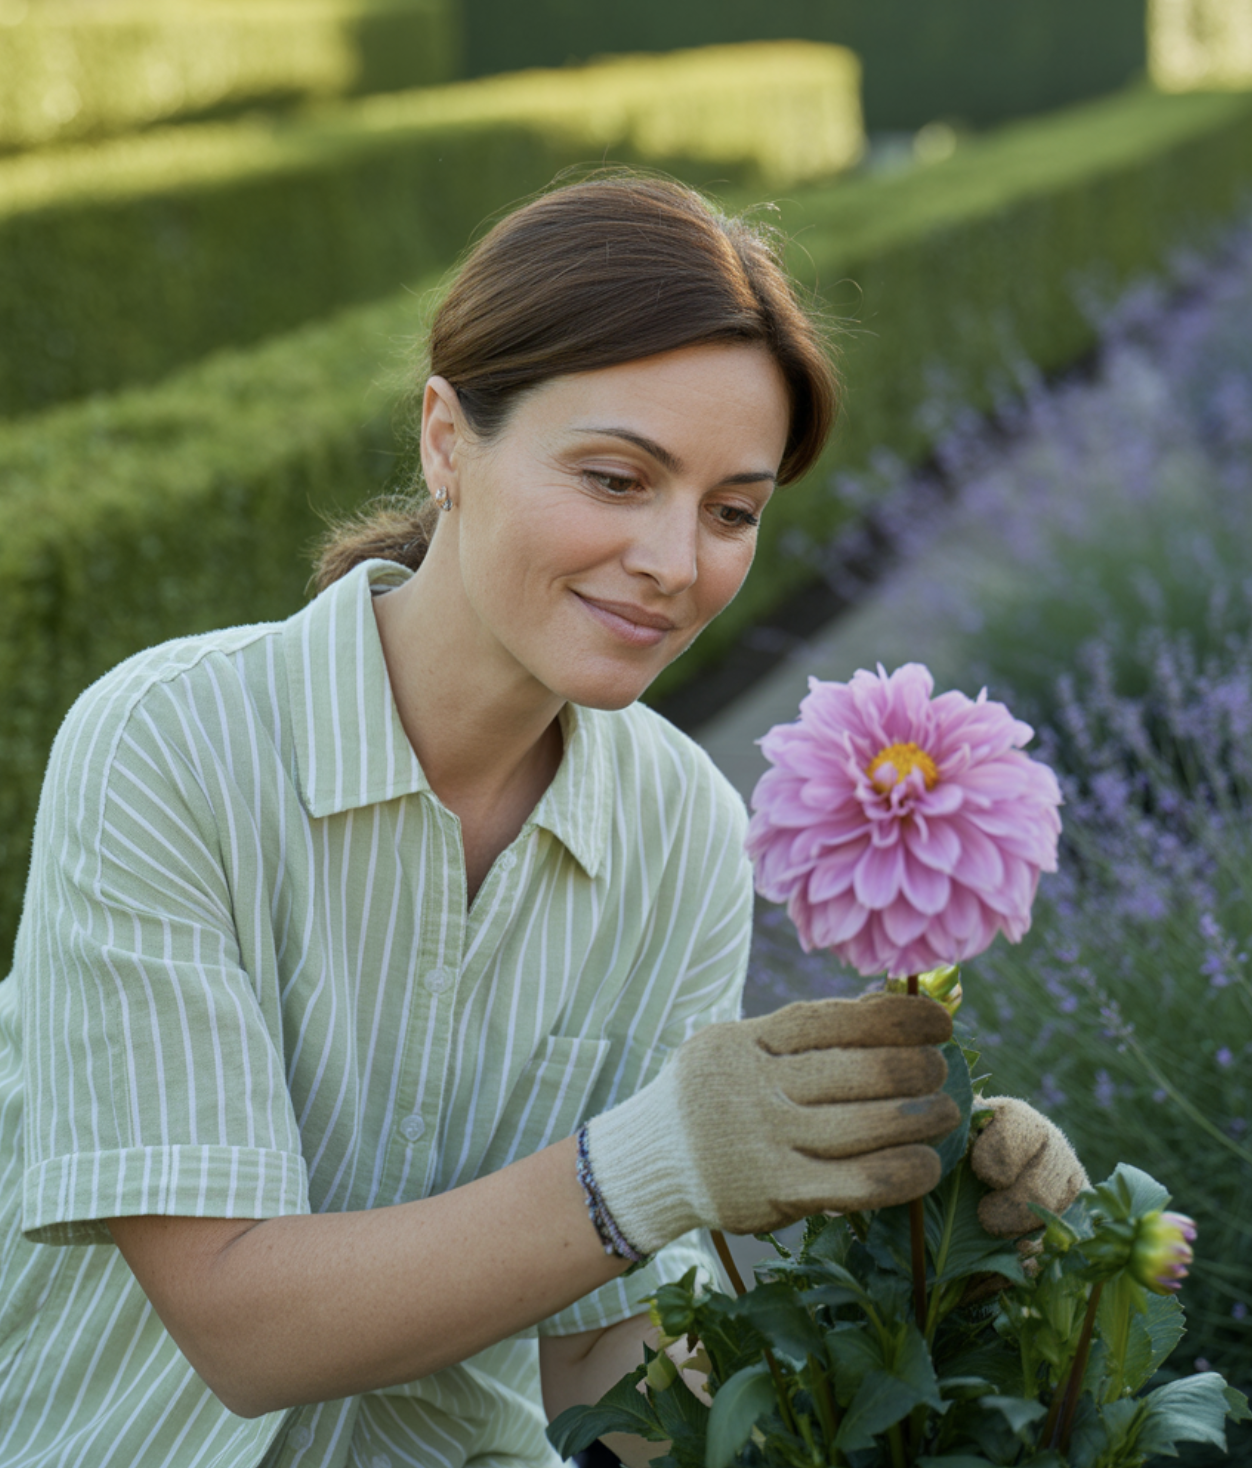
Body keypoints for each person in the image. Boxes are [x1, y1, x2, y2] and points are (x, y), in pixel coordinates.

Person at [0, 175, 1085, 1468]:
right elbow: (238, 1324)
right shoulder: (169, 749)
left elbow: (601, 1361)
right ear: (446, 442)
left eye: (731, 511)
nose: (677, 563)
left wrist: (929, 1262)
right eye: (618, 477)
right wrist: (659, 1159)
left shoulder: (680, 823)